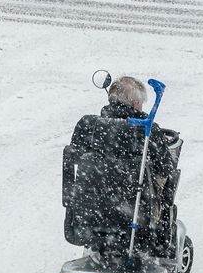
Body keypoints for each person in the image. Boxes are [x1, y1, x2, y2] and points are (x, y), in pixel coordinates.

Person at [65, 76, 181, 255]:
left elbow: (76, 155)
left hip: (90, 212)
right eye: (141, 102)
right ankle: (162, 242)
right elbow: (165, 168)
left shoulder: (88, 125)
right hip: (135, 217)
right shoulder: (147, 129)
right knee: (167, 181)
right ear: (135, 103)